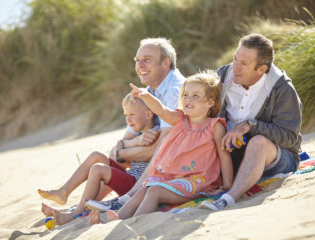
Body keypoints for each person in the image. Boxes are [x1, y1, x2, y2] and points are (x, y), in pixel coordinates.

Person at [88, 70, 233, 224]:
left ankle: (135, 222)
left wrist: (228, 184)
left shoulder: (214, 127)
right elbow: (162, 110)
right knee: (143, 190)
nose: (189, 99)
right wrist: (145, 96)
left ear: (210, 102)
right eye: (186, 95)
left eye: (196, 96)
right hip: (171, 177)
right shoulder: (180, 119)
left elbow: (224, 156)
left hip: (196, 181)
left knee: (154, 191)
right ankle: (119, 219)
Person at [199, 33, 302, 211]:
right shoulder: (223, 77)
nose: (235, 67)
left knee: (258, 143)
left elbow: (289, 137)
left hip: (276, 160)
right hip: (231, 157)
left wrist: (250, 126)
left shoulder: (282, 89)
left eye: (243, 64)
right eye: (235, 59)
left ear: (261, 69)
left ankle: (229, 199)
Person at [85, 37, 186, 211]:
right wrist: (128, 147)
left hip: (183, 160)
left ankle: (124, 198)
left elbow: (160, 148)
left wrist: (122, 152)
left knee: (160, 143)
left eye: (147, 60)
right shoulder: (148, 91)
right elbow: (122, 143)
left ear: (166, 63)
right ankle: (85, 206)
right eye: (137, 61)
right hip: (153, 163)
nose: (140, 66)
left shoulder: (175, 89)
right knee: (103, 160)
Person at [39, 93, 160, 225]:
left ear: (149, 115)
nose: (128, 120)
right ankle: (65, 196)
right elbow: (118, 150)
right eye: (126, 115)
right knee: (96, 156)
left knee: (97, 169)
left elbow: (124, 152)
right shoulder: (138, 133)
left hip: (135, 186)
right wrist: (126, 147)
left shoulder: (154, 134)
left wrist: (123, 149)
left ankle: (75, 213)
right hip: (130, 177)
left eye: (132, 115)